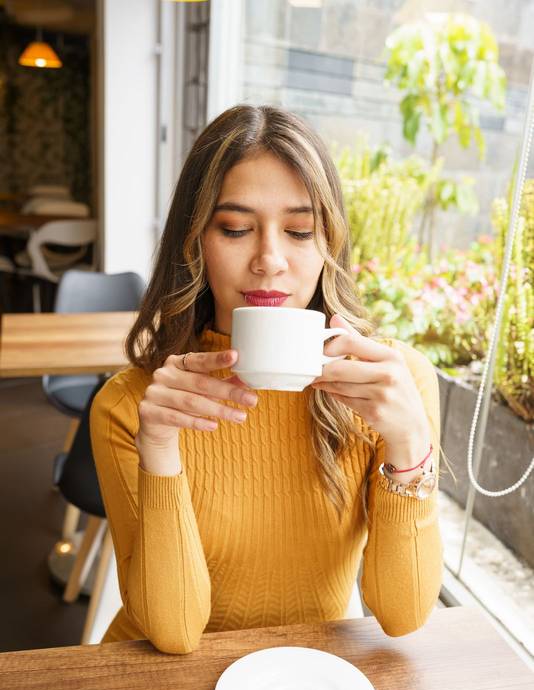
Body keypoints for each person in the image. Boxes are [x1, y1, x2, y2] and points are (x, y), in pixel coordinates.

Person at [90, 104, 442, 654]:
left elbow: (402, 615)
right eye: (235, 228)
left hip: (307, 689)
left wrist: (410, 446)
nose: (270, 260)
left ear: (329, 242)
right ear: (195, 241)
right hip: (156, 688)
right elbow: (174, 631)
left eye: (300, 231)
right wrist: (158, 446)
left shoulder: (393, 385)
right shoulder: (134, 403)